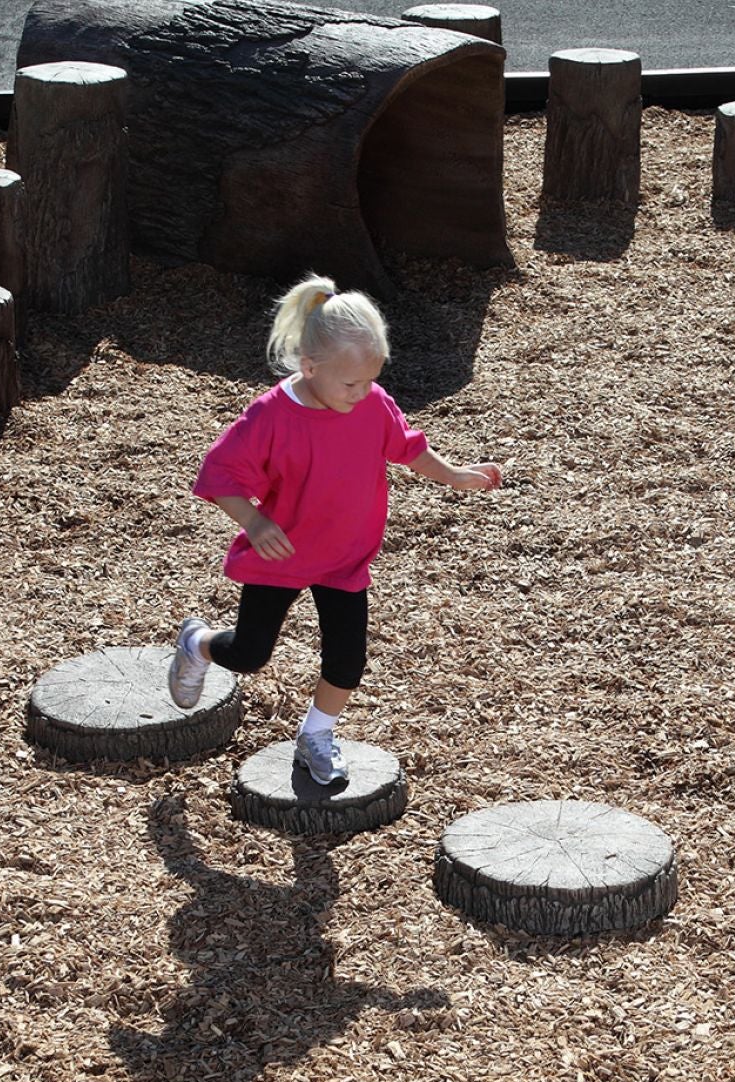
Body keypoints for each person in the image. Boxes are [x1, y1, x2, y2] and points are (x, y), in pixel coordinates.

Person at [169, 274, 500, 784]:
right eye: (350, 384)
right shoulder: (270, 417)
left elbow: (409, 448)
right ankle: (198, 644)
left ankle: (316, 735)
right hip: (283, 555)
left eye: (370, 380)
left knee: (347, 660)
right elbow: (219, 475)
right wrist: (254, 521)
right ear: (309, 366)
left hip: (345, 558)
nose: (363, 392)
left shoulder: (370, 404)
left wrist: (455, 474)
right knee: (250, 654)